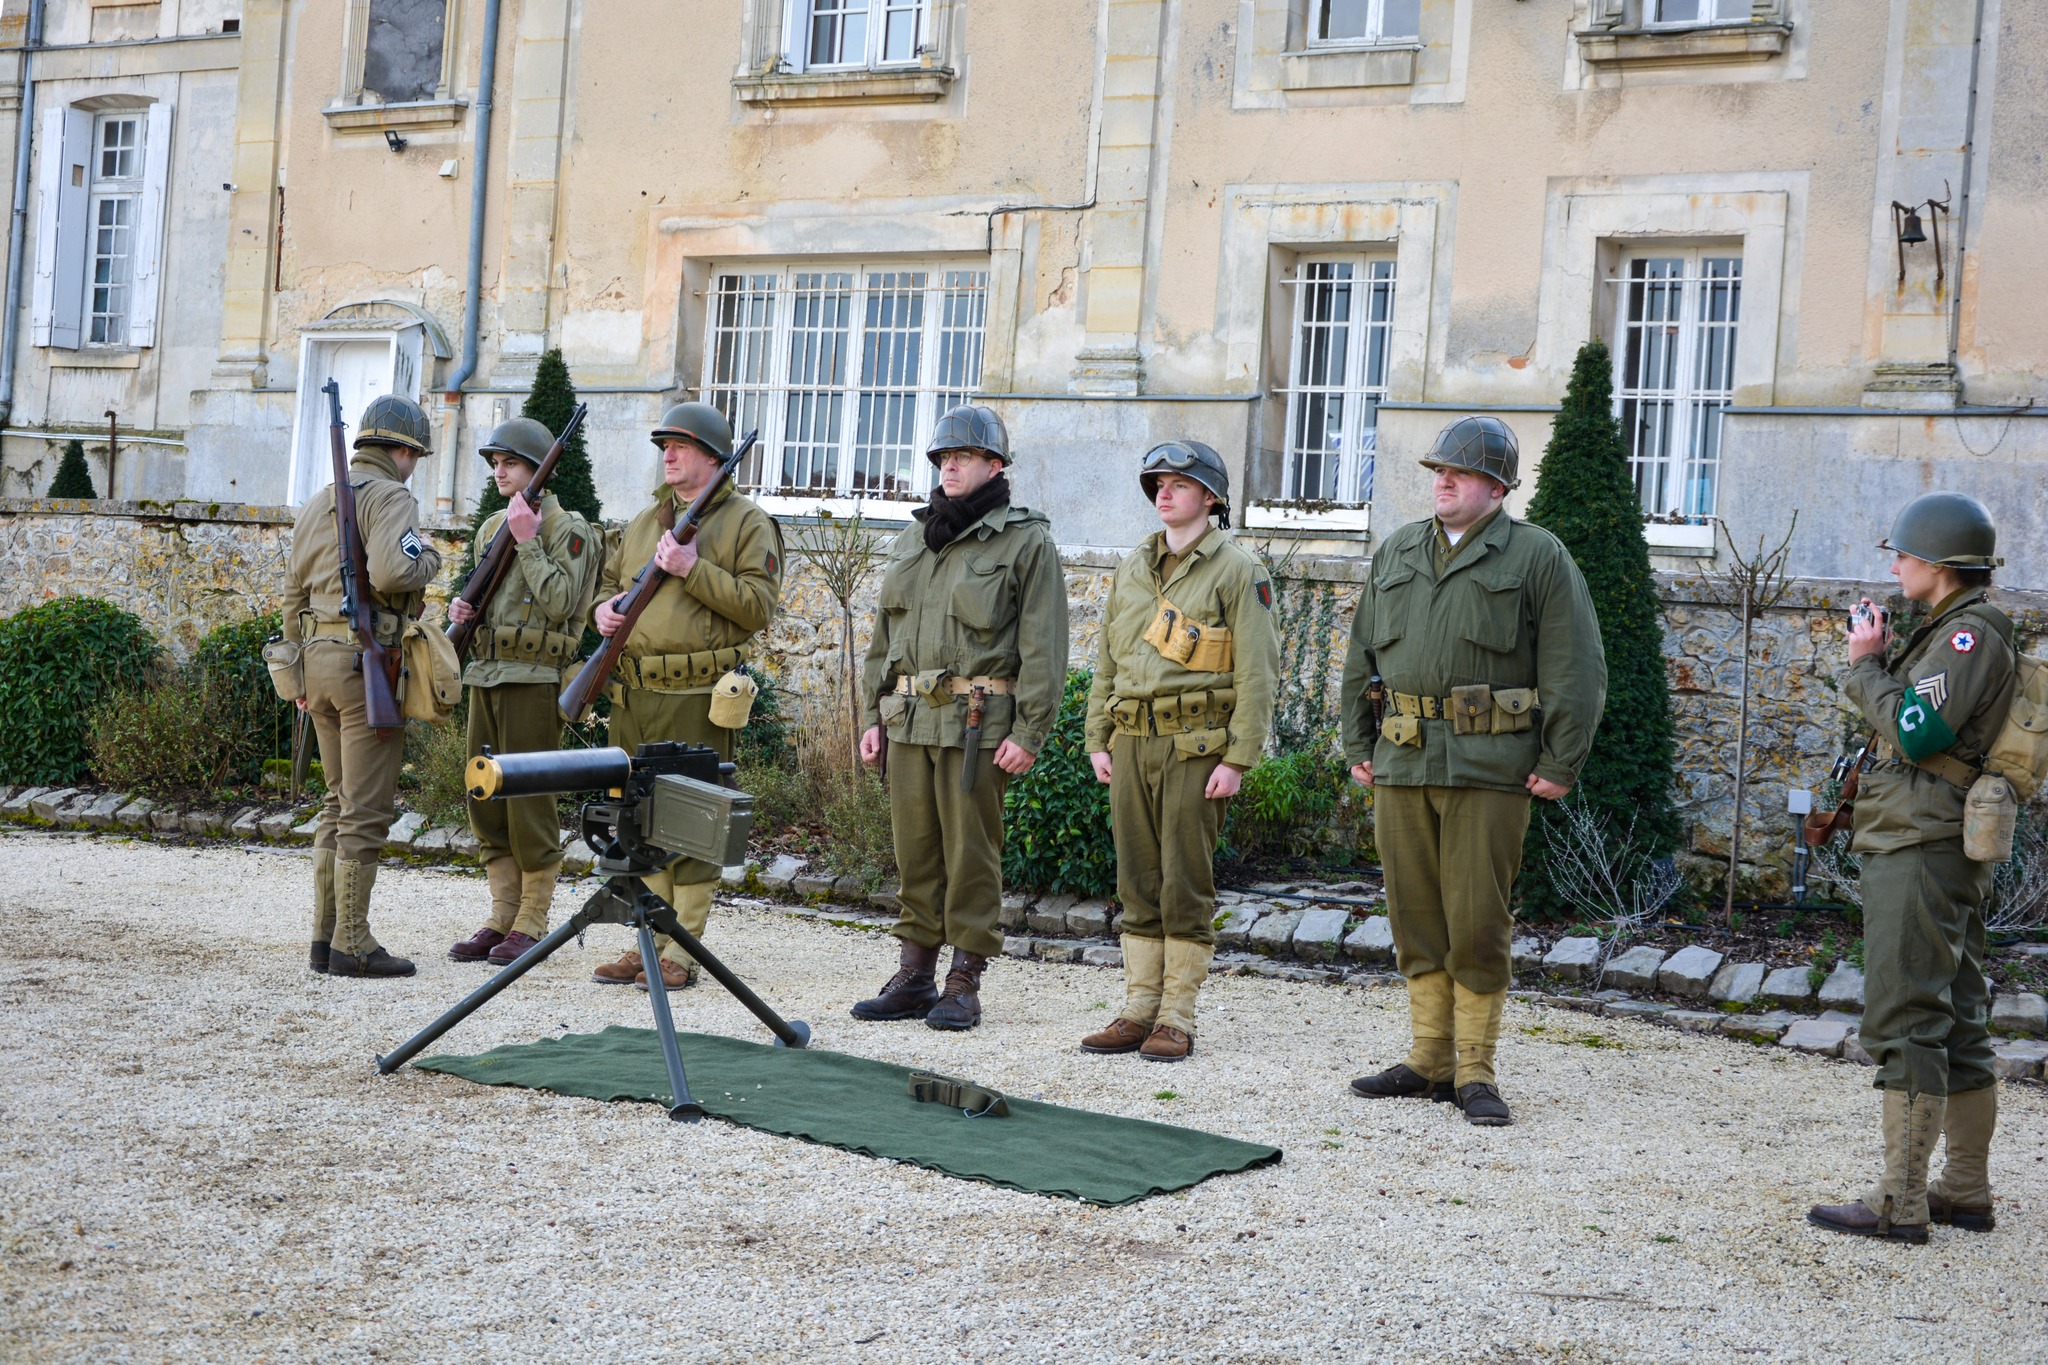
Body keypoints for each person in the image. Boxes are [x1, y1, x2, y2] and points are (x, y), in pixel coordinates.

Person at [1339, 416, 1605, 1124]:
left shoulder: (1537, 556)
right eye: (1438, 471)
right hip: (1400, 759)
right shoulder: (1398, 550)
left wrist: (1560, 759)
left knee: (1478, 917)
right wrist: (1355, 740)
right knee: (1415, 914)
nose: (1443, 481)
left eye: (1459, 472)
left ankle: (1475, 1070)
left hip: (1489, 766)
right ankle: (1429, 1057)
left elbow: (1576, 666)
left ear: (1496, 486)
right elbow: (1361, 653)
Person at [1808, 493, 2016, 1244]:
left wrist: (1865, 666)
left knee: (1907, 1015)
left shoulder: (1966, 637)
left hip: (1920, 844)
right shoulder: (1954, 631)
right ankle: (1963, 1188)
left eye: (1902, 552)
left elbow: (1919, 729)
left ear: (1936, 562)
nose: (1894, 563)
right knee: (1957, 1016)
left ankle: (1900, 1201)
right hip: (1930, 838)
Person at [852, 405, 1068, 1032]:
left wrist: (1029, 732)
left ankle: (963, 979)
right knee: (915, 850)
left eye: (963, 457)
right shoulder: (914, 538)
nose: (949, 466)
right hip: (909, 720)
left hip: (978, 724)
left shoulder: (1025, 541)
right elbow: (882, 637)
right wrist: (872, 715)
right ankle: (916, 974)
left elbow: (1045, 646)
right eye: (943, 458)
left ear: (995, 466)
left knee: (973, 853)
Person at [1078, 441, 1278, 1062]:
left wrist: (1238, 757)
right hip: (1132, 741)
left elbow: (1258, 672)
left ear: (1211, 497)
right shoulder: (1135, 565)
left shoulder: (1238, 570)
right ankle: (1139, 1009)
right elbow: (1107, 658)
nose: (1165, 493)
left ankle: (1177, 1017)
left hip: (1196, 747)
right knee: (1136, 879)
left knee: (1185, 881)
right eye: (1158, 484)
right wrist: (1096, 738)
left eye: (1180, 484)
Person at [587, 402, 782, 991]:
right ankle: (647, 939)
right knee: (638, 824)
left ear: (715, 457)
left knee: (693, 825)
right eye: (664, 445)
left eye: (681, 445)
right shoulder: (648, 520)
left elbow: (757, 607)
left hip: (697, 694)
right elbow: (608, 584)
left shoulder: (748, 522)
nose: (667, 454)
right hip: (634, 693)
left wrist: (693, 568)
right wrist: (600, 610)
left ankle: (682, 950)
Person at [282, 394, 445, 979]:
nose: (413, 466)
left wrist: (300, 672)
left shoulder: (317, 501)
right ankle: (354, 942)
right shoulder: (391, 496)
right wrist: (431, 557)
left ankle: (323, 941)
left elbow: (292, 595)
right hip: (366, 665)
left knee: (335, 802)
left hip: (318, 665)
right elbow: (396, 572)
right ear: (402, 451)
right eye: (415, 456)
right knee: (365, 810)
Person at [445, 417, 599, 967]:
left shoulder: (568, 528)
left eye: (508, 463)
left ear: (538, 468)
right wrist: (460, 610)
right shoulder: (491, 527)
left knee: (529, 800)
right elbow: (484, 596)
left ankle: (531, 921)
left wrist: (530, 542)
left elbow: (561, 602)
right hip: (485, 672)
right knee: (483, 795)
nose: (498, 471)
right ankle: (501, 915)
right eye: (493, 463)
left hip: (535, 679)